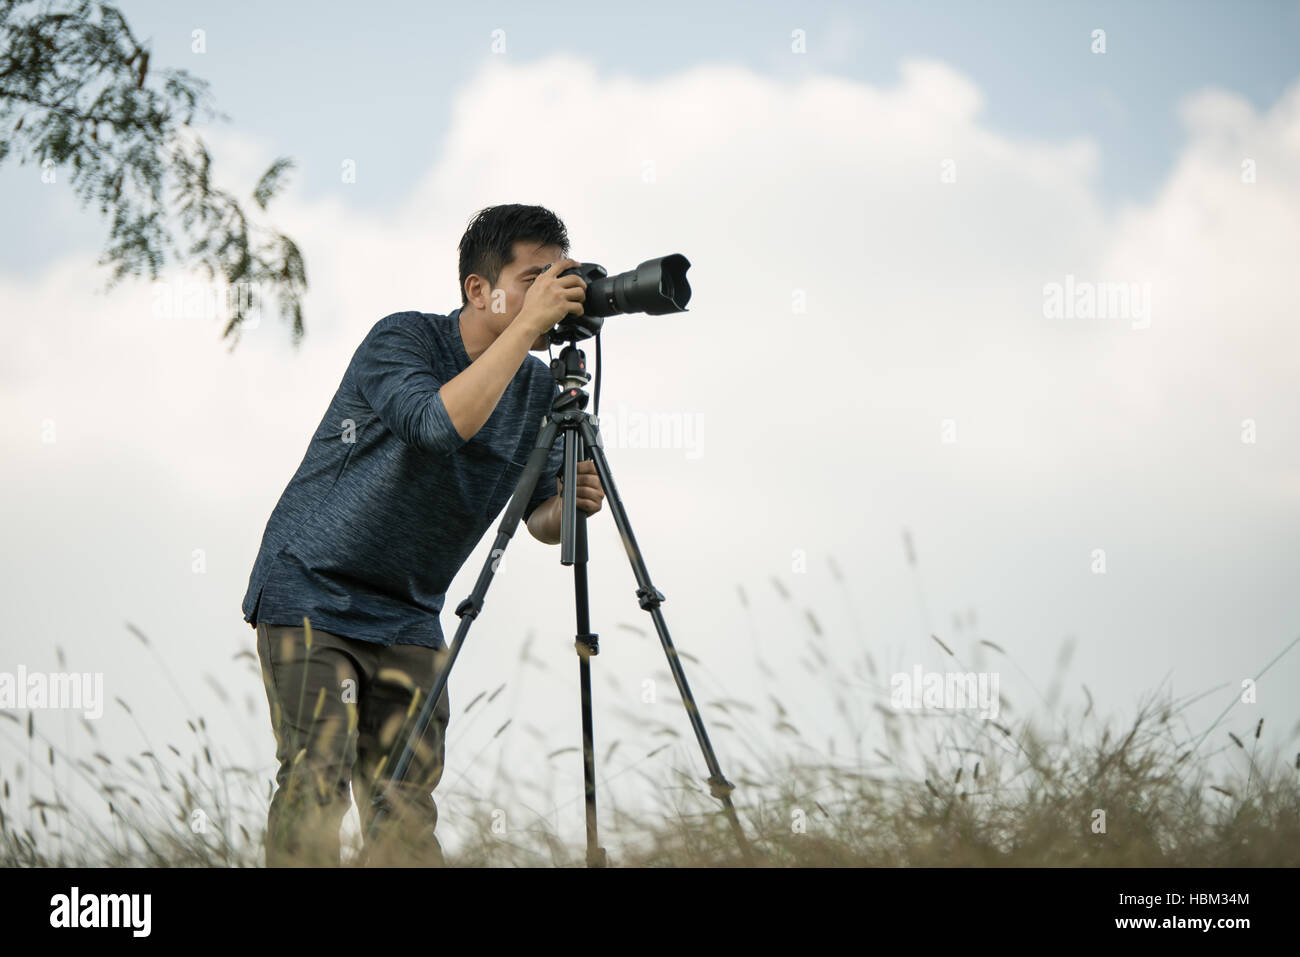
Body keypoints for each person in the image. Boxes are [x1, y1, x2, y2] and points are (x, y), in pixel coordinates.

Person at [241, 204, 606, 867]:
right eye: (532, 278)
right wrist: (527, 327)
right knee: (316, 779)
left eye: (560, 278)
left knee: (405, 809)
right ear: (478, 288)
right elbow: (439, 425)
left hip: (409, 613)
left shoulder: (539, 388)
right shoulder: (403, 341)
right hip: (311, 588)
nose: (551, 294)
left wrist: (575, 504)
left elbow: (541, 522)